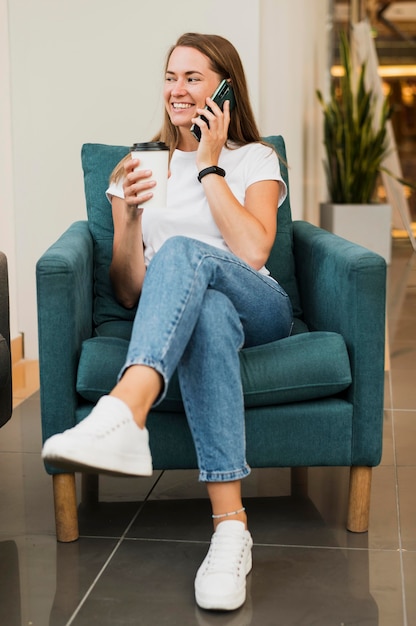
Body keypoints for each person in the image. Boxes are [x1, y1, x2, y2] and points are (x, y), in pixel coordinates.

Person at [42, 32, 293, 612]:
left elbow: (254, 252)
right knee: (204, 311)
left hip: (260, 306)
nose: (178, 90)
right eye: (171, 77)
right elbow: (131, 290)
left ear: (224, 90)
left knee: (182, 252)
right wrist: (127, 217)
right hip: (197, 317)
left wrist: (209, 168)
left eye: (194, 78)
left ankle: (128, 407)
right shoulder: (137, 166)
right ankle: (231, 529)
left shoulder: (254, 159)